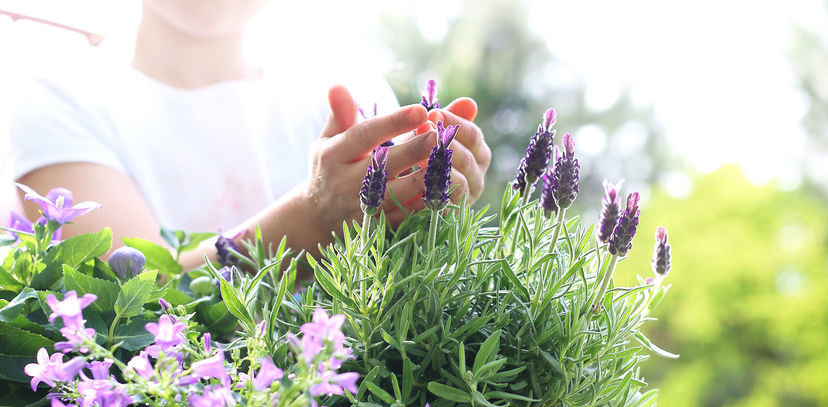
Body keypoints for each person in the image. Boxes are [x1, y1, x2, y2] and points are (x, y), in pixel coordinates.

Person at [6, 0, 491, 268]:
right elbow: (129, 303)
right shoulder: (58, 94)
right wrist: (313, 221)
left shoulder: (345, 82)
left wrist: (430, 211)